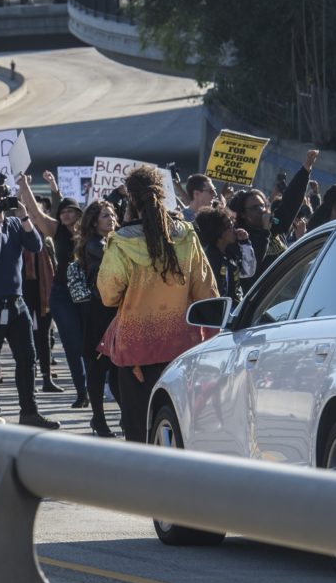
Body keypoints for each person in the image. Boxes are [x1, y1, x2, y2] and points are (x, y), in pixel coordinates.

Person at [97, 166, 217, 443]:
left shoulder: (121, 243)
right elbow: (207, 293)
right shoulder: (187, 236)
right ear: (162, 196)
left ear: (132, 200)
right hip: (181, 348)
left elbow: (108, 296)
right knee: (180, 425)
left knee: (138, 431)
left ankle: (143, 484)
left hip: (136, 351)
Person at [0, 191, 57, 430]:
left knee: (27, 357)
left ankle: (29, 412)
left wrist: (23, 217)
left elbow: (35, 244)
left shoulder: (13, 223)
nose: (0, 205)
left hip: (17, 303)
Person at [20, 174, 88, 404]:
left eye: (71, 211)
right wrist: (24, 186)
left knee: (88, 342)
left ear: (79, 213)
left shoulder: (91, 234)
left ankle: (93, 387)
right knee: (71, 342)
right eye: (63, 212)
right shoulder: (56, 231)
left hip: (88, 294)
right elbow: (36, 215)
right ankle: (82, 392)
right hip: (62, 294)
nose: (66, 215)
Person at [228, 149, 317, 292]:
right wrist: (264, 231)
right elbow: (253, 266)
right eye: (254, 208)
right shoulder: (241, 237)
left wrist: (306, 169)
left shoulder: (275, 226)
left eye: (262, 205)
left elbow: (291, 202)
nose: (261, 210)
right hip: (261, 301)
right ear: (243, 214)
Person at [74, 201, 119, 438]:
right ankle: (99, 418)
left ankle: (118, 416)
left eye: (112, 214)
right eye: (105, 215)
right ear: (94, 221)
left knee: (117, 366)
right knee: (99, 366)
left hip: (114, 310)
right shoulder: (95, 245)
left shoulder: (113, 242)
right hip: (99, 312)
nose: (111, 218)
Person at [192, 208, 256, 303]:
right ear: (217, 230)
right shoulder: (210, 259)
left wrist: (245, 243)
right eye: (229, 226)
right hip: (224, 312)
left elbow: (248, 272)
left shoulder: (228, 253)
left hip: (235, 308)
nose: (234, 228)